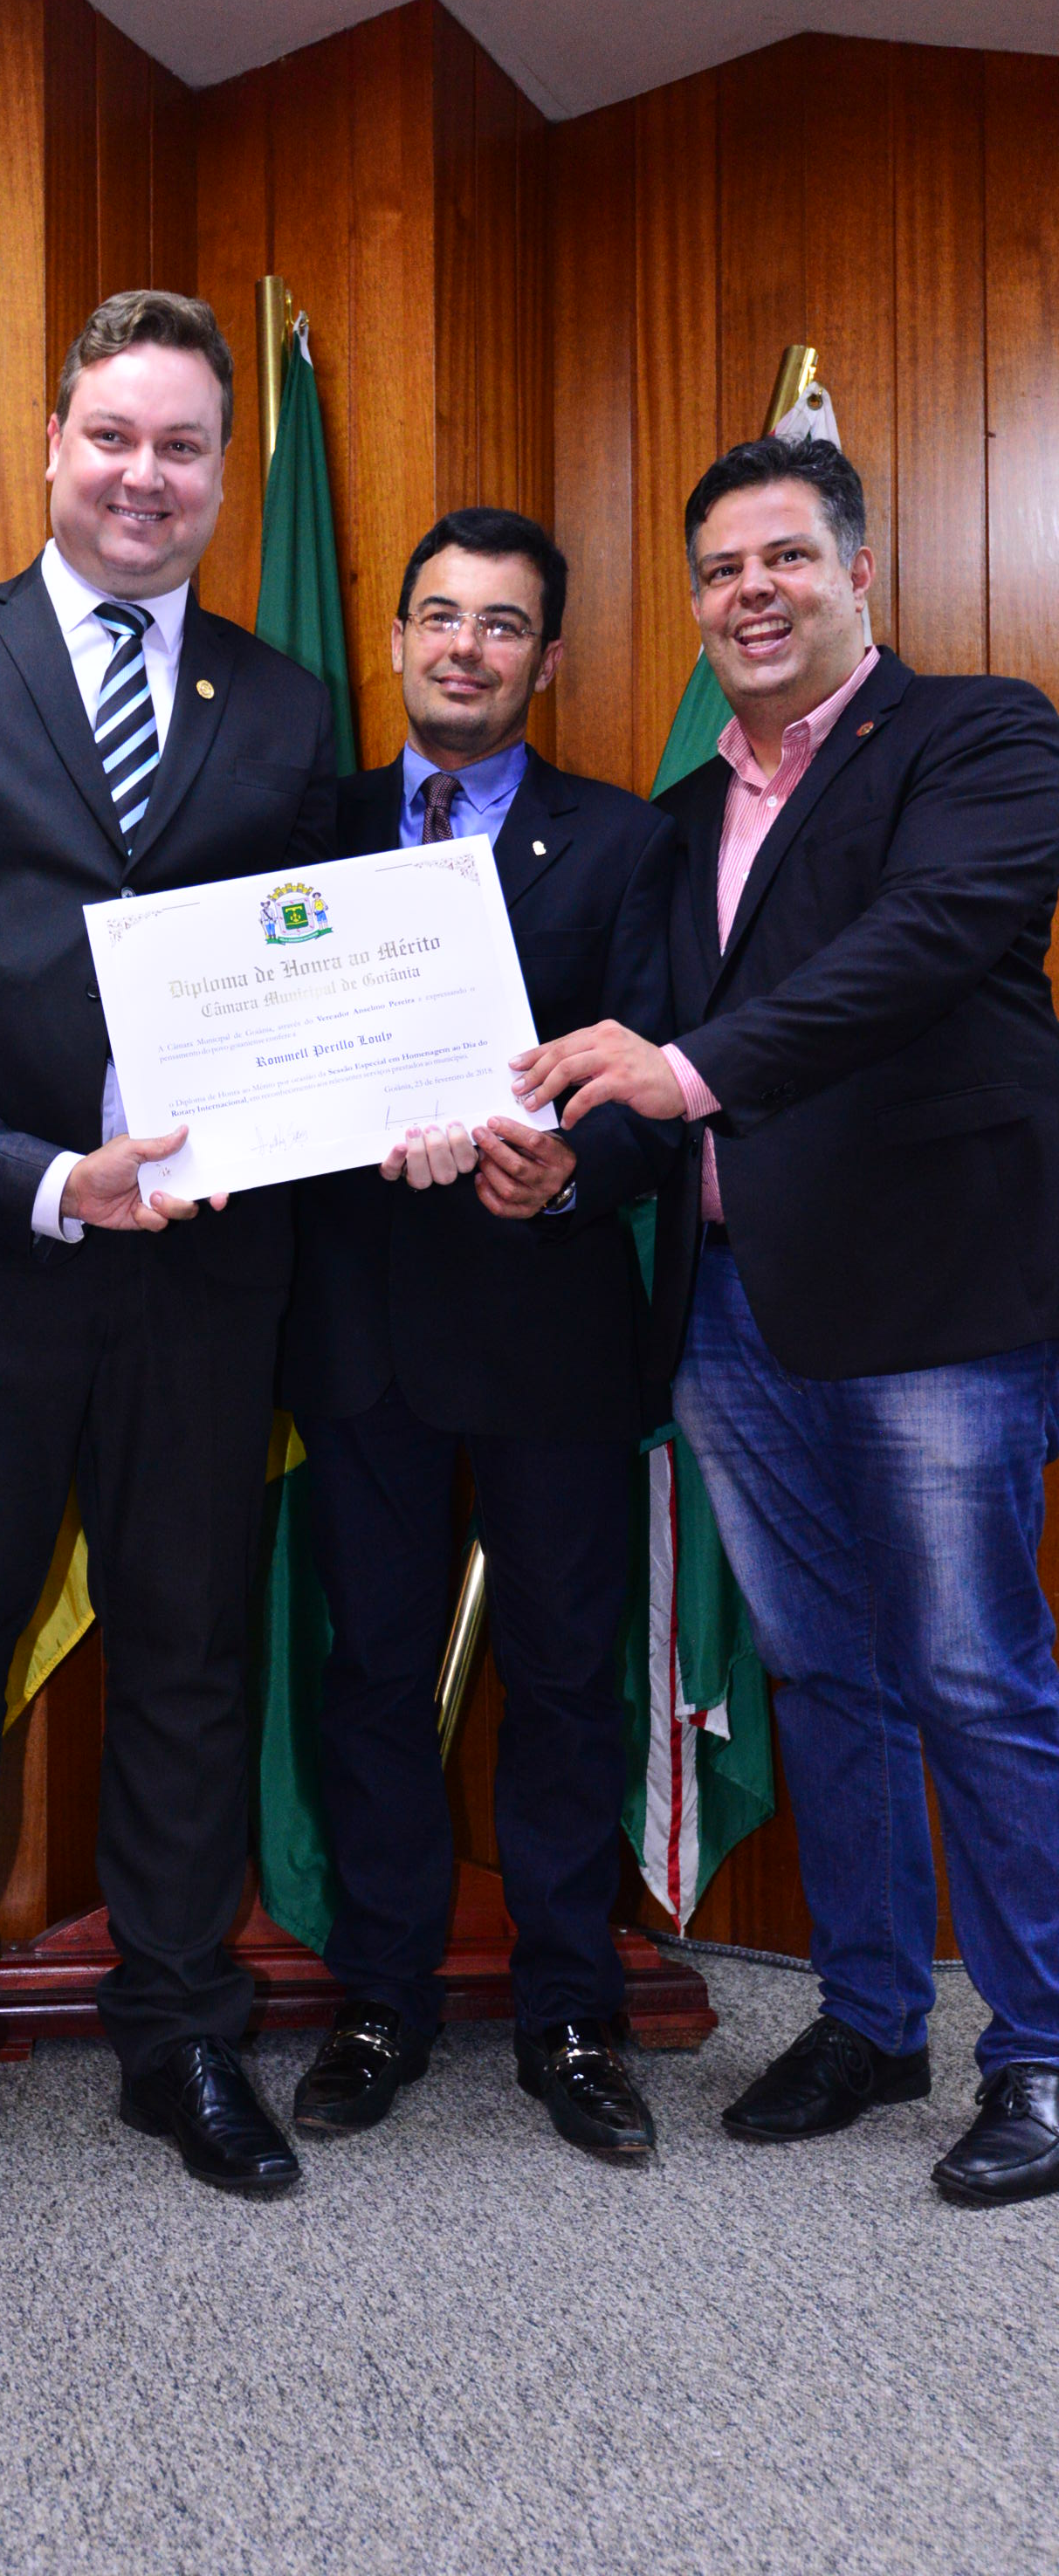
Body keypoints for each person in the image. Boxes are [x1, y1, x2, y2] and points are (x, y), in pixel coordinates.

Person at [0, 290, 335, 2221]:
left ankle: (183, 2032)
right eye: (111, 436)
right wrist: (34, 1178)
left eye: (182, 446)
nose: (143, 475)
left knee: (190, 1650)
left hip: (207, 1272)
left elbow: (308, 981)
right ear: (50, 445)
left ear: (223, 473)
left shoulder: (283, 705)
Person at [512, 437, 1059, 2207]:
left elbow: (922, 944)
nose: (750, 593)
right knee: (823, 1668)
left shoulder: (979, 737)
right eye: (719, 570)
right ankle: (871, 2015)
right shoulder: (676, 821)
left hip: (935, 1301)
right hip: (733, 1308)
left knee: (971, 1672)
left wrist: (676, 1072)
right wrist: (563, 1163)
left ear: (857, 571)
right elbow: (635, 1067)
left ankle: (1041, 2050)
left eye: (785, 559)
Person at [279, 508, 678, 2158]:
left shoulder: (626, 839)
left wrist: (575, 1168)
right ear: (394, 640)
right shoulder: (304, 828)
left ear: (547, 660)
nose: (466, 648)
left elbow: (660, 1082)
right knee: (371, 1673)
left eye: (503, 625)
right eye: (440, 616)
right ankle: (380, 1998)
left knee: (567, 1678)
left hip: (549, 1322)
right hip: (356, 1327)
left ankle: (572, 2009)